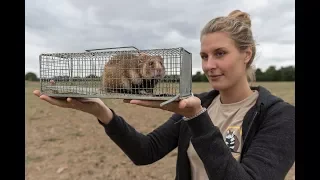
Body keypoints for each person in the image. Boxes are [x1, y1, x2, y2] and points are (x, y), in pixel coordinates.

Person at [33, 10, 295, 180]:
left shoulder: (280, 117)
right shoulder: (202, 103)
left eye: (220, 54)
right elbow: (147, 151)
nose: (208, 66)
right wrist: (102, 112)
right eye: (204, 56)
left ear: (246, 54)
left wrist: (197, 119)